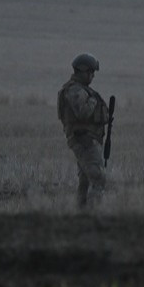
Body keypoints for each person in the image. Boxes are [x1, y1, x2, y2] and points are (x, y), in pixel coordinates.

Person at [57, 53, 110, 208]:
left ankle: (81, 214)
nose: (93, 76)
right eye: (91, 72)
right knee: (98, 178)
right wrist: (94, 100)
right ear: (82, 71)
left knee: (86, 180)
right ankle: (92, 215)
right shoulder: (74, 90)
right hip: (84, 140)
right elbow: (83, 112)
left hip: (87, 139)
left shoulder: (80, 89)